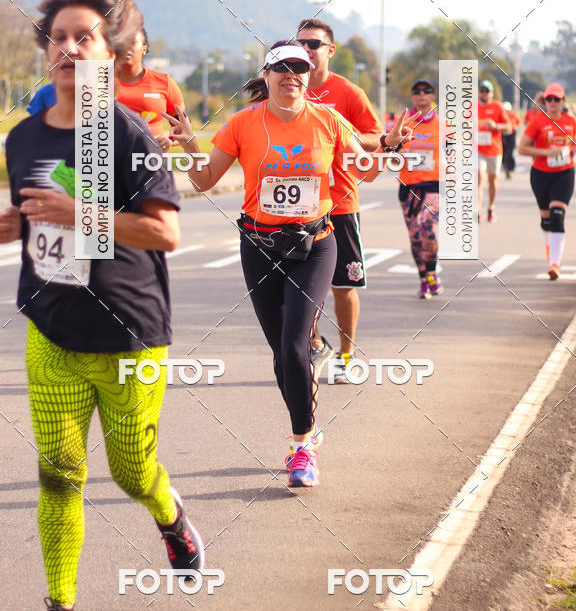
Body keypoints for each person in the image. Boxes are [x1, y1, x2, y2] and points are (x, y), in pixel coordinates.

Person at [0, 0, 203, 610]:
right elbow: (34, 213)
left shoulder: (131, 136)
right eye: (58, 38)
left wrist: (77, 212)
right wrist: (16, 223)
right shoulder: (23, 138)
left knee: (132, 472)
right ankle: (61, 600)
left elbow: (165, 231)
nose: (69, 49)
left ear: (111, 54)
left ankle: (170, 516)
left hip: (129, 335)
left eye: (85, 38)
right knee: (58, 473)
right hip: (49, 326)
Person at [165, 41, 416, 488]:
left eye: (298, 67)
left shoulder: (328, 120)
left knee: (296, 346)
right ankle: (309, 425)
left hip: (315, 243)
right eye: (280, 68)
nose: (290, 75)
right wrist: (188, 143)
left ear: (307, 74)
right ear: (265, 76)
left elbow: (368, 171)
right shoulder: (243, 125)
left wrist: (391, 146)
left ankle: (302, 446)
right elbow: (203, 180)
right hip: (258, 245)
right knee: (282, 355)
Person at [295, 18, 383, 385]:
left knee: (342, 287)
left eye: (314, 44)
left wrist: (343, 132)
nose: (307, 50)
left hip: (340, 204)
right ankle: (315, 344)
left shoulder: (347, 92)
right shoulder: (287, 86)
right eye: (300, 43)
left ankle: (346, 356)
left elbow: (378, 136)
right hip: (295, 207)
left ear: (330, 51)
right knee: (297, 288)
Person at [518, 82, 575, 279]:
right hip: (541, 174)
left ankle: (554, 264)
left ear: (562, 101)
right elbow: (522, 148)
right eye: (549, 99)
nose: (552, 102)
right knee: (546, 218)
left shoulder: (571, 122)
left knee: (557, 214)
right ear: (546, 101)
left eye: (556, 99)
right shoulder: (537, 121)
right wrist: (546, 152)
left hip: (564, 174)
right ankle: (550, 252)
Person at [397, 79, 442, 298]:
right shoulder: (402, 123)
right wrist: (399, 155)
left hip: (433, 185)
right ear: (413, 97)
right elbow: (388, 151)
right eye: (417, 91)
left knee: (428, 230)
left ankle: (432, 273)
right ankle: (424, 279)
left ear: (432, 96)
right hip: (408, 186)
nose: (422, 94)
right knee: (415, 236)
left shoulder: (443, 125)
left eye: (427, 91)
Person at [117, 27, 185, 152]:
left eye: (133, 42)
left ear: (144, 48)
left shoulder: (164, 82)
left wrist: (169, 140)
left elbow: (185, 130)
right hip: (107, 166)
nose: (126, 48)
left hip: (151, 163)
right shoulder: (96, 82)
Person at [477, 80, 511, 223]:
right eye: (482, 90)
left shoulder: (497, 107)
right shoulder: (472, 107)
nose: (484, 93)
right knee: (479, 178)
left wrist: (496, 125)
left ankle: (491, 207)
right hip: (477, 149)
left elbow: (509, 126)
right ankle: (477, 210)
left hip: (494, 150)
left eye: (487, 91)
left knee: (493, 180)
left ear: (491, 93)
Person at [501, 101, 520, 179]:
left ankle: (511, 169)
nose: (506, 112)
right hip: (502, 137)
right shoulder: (501, 116)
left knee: (509, 154)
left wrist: (515, 127)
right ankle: (506, 170)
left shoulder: (513, 116)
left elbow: (518, 124)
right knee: (503, 155)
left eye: (507, 110)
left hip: (511, 137)